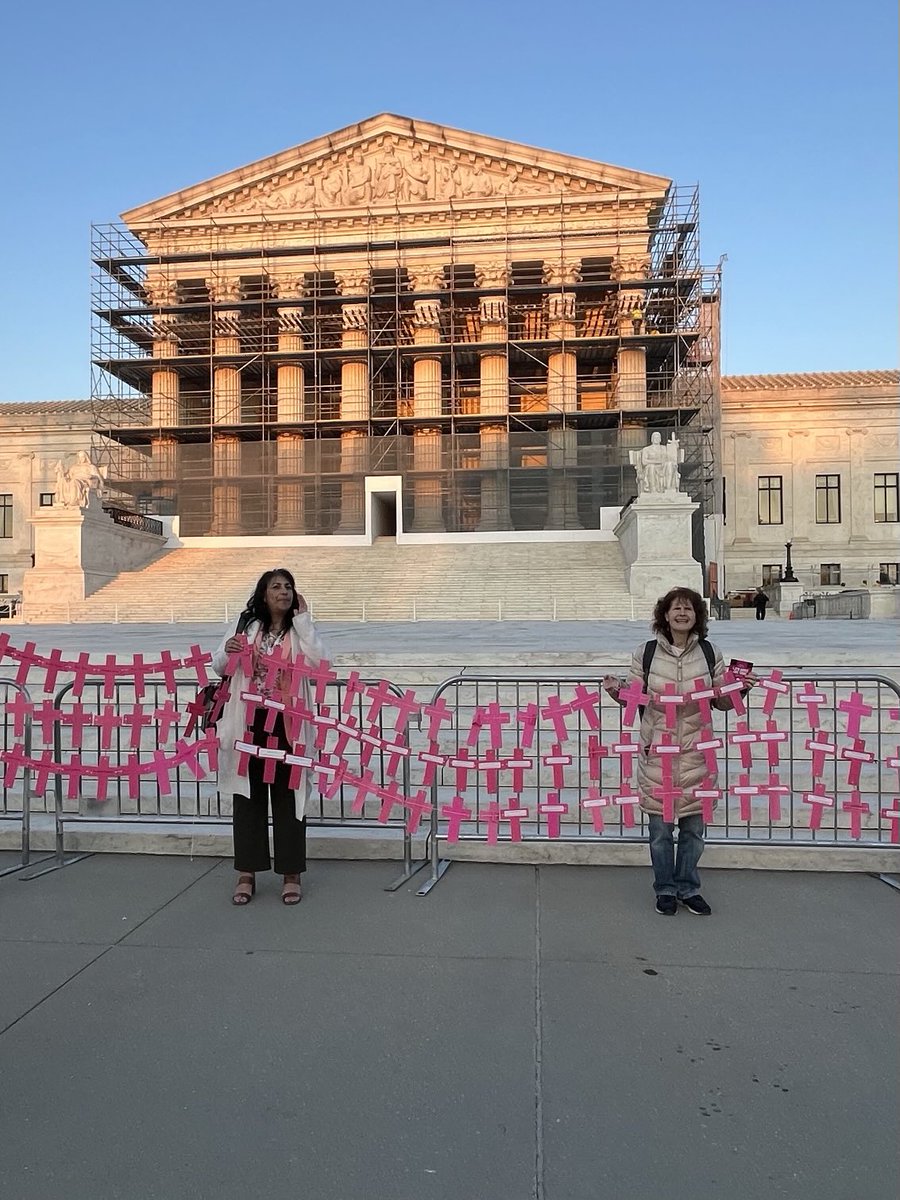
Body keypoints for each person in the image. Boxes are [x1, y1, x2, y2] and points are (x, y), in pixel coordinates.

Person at [603, 586, 755, 916]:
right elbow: (635, 696)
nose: (682, 614)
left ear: (697, 616)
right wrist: (618, 693)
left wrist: (738, 689)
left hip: (697, 752)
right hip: (658, 752)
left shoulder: (711, 652)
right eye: (676, 609)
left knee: (694, 831)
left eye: (689, 609)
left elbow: (720, 701)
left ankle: (688, 887)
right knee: (660, 831)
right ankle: (665, 889)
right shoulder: (644, 653)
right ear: (665, 615)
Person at [212, 568, 327, 906]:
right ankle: (246, 872)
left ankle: (291, 874)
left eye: (289, 586)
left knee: (289, 799)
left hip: (287, 725)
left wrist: (304, 621)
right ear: (263, 594)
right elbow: (219, 665)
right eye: (276, 586)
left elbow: (321, 662)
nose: (284, 591)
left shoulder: (299, 630)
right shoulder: (247, 626)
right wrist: (229, 651)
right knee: (248, 800)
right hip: (249, 723)